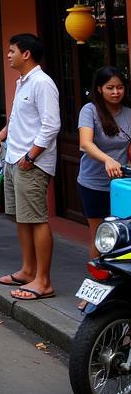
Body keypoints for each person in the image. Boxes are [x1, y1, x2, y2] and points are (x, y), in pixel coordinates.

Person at [0, 33, 60, 302]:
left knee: (37, 219)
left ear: (26, 54)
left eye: (12, 51)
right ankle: (28, 269)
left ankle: (43, 280)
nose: (8, 55)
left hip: (31, 163)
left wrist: (31, 156)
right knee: (22, 218)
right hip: (14, 158)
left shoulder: (43, 83)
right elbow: (21, 117)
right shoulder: (22, 83)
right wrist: (3, 134)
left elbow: (51, 125)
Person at [77, 65, 131, 260]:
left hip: (122, 185)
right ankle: (98, 281)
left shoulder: (128, 113)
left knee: (123, 236)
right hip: (93, 184)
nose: (116, 92)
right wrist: (108, 159)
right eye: (110, 88)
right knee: (100, 236)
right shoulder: (89, 110)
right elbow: (85, 144)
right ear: (99, 89)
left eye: (120, 87)